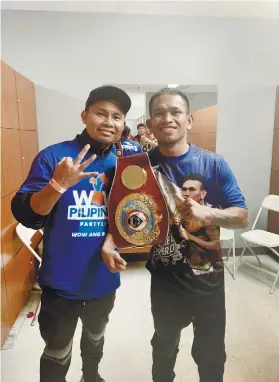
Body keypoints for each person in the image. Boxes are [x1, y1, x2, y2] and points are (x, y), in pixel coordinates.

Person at [102, 87, 248, 382]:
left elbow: (242, 216)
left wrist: (211, 214)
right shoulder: (138, 168)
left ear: (188, 120)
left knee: (210, 354)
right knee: (164, 348)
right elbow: (122, 215)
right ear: (152, 123)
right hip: (165, 279)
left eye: (175, 112)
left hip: (208, 280)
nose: (167, 118)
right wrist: (110, 242)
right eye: (159, 113)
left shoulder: (214, 164)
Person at [11, 85, 130, 382]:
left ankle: (91, 376)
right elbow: (26, 214)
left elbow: (128, 216)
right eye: (101, 113)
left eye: (117, 116)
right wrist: (58, 185)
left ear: (123, 124)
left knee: (95, 338)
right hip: (61, 282)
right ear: (84, 115)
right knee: (57, 350)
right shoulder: (54, 157)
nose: (109, 121)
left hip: (104, 277)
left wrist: (111, 242)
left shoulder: (125, 165)